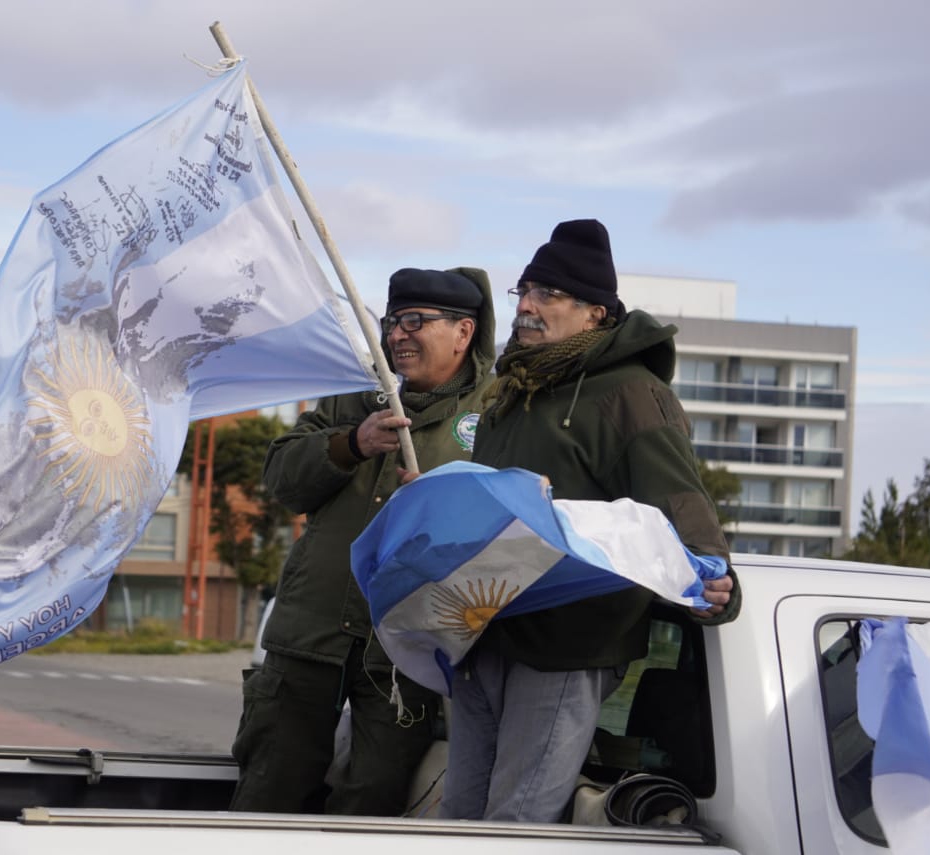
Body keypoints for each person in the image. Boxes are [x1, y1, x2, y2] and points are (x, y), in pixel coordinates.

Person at [438, 219, 741, 823]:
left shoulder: (631, 392)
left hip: (571, 643)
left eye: (548, 294)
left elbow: (676, 496)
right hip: (488, 628)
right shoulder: (511, 392)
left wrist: (714, 579)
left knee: (517, 826)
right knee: (461, 821)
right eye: (524, 290)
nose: (527, 306)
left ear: (595, 313)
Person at [230, 266, 497, 816]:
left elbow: (516, 528)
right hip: (311, 636)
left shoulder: (497, 417)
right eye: (392, 322)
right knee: (268, 792)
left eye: (415, 322)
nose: (397, 335)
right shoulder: (355, 397)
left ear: (463, 333)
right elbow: (281, 479)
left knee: (371, 808)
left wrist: (448, 506)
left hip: (408, 656)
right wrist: (351, 442)